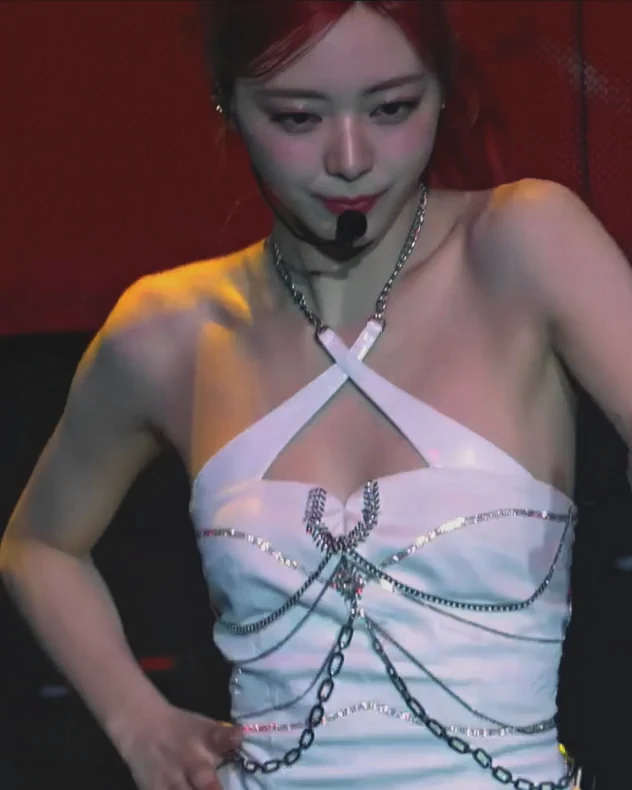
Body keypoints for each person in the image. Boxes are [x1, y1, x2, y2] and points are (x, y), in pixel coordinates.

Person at [2, 0, 631, 787]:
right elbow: (38, 545)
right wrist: (137, 722)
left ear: (442, 91)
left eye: (392, 108)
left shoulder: (522, 246)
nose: (350, 157)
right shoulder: (171, 331)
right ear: (228, 103)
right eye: (298, 117)